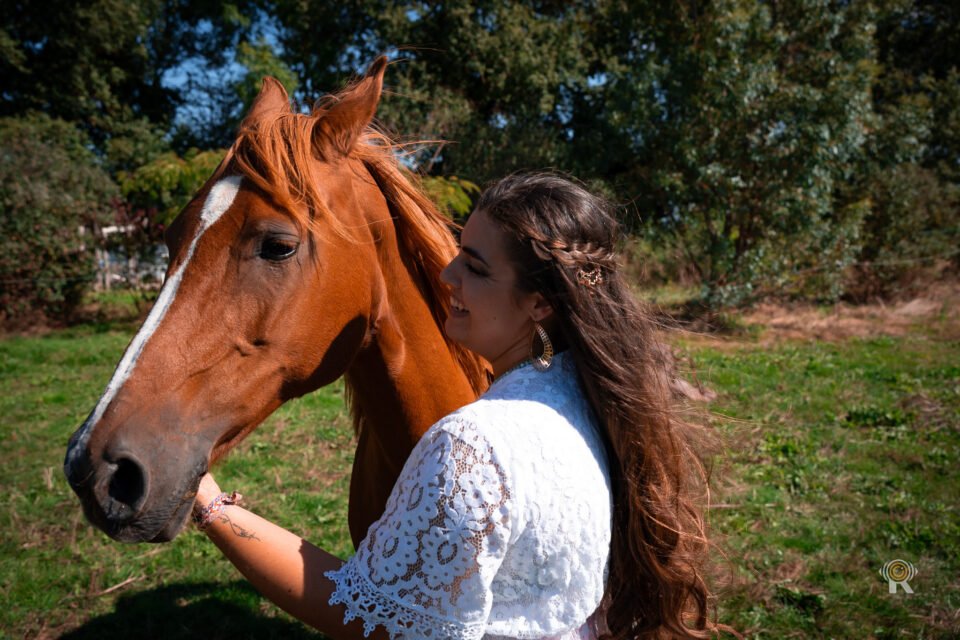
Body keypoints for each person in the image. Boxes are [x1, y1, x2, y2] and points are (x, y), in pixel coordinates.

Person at [193, 172, 734, 639]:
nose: (448, 275)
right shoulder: (592, 403)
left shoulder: (474, 445)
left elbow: (368, 619)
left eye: (475, 268)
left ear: (540, 303)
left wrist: (211, 505)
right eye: (459, 253)